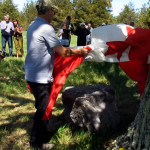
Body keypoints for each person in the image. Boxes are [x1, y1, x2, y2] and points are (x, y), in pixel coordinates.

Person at [24, 0, 89, 149]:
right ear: (48, 12)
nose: (53, 14)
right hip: (40, 77)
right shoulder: (45, 28)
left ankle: (43, 134)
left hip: (32, 73)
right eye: (52, 11)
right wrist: (80, 51)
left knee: (42, 106)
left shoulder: (33, 25)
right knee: (43, 109)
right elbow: (63, 52)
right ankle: (37, 143)